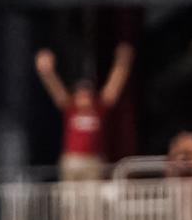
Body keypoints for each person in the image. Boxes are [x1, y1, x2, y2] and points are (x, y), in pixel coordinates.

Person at [35, 44, 132, 182]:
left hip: (93, 160)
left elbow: (114, 87)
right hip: (72, 159)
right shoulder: (71, 108)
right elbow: (56, 89)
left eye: (87, 93)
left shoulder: (98, 108)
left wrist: (122, 63)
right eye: (81, 93)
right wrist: (46, 71)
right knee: (70, 197)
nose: (84, 96)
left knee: (91, 197)